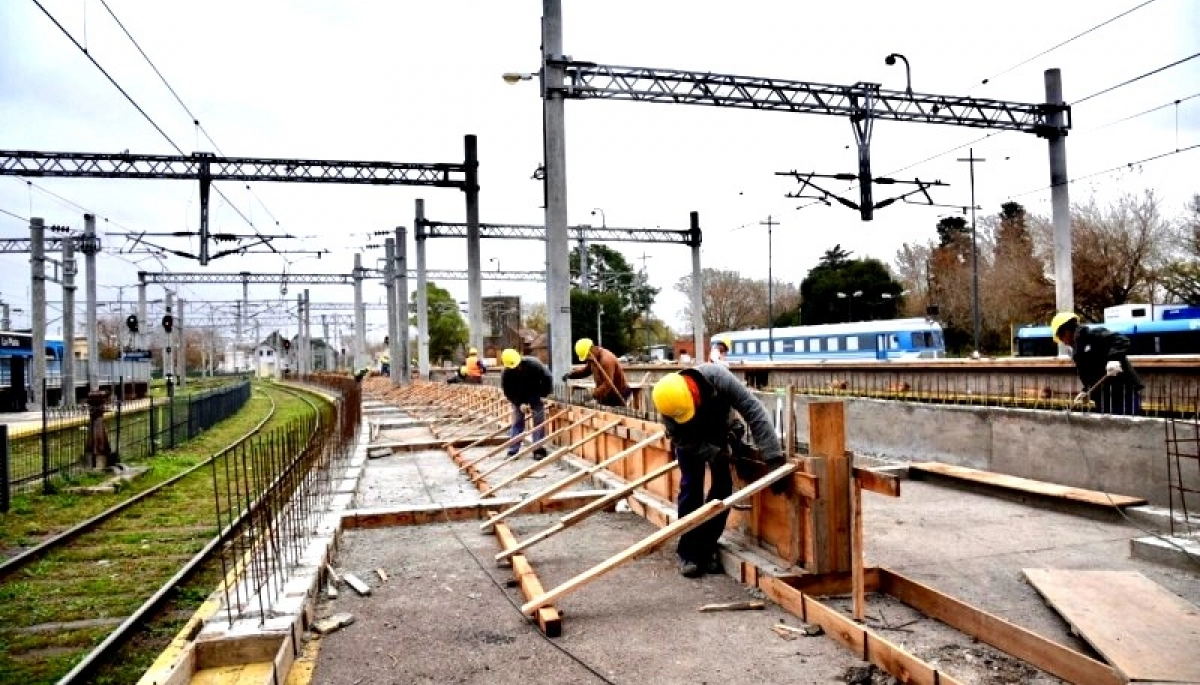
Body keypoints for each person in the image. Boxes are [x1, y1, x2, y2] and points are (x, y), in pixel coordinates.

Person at [651, 363, 785, 578]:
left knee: (722, 487)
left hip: (720, 430)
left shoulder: (719, 378)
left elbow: (753, 410)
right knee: (691, 487)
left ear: (693, 391)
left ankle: (707, 546)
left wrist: (773, 456)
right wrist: (713, 453)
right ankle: (689, 552)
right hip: (690, 440)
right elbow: (680, 439)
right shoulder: (667, 404)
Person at [1051, 312, 1143, 416]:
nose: (1062, 342)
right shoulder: (1078, 350)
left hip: (1123, 393)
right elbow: (1090, 373)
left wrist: (1113, 359)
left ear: (1066, 332)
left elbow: (1121, 340)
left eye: (1061, 337)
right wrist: (1086, 390)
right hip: (1104, 396)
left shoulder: (1093, 335)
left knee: (1125, 427)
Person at [500, 348, 552, 459]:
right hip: (519, 397)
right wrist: (519, 404)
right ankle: (513, 451)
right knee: (517, 422)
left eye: (518, 365)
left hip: (536, 394)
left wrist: (544, 395)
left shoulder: (534, 364)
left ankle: (538, 449)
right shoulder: (506, 373)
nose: (517, 368)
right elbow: (508, 392)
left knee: (539, 421)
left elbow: (548, 377)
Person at [562, 338, 632, 407]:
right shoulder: (593, 358)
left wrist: (593, 395)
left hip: (619, 395)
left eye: (587, 356)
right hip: (607, 395)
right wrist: (571, 375)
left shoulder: (606, 360)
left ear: (592, 349)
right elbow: (585, 371)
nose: (587, 359)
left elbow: (608, 384)